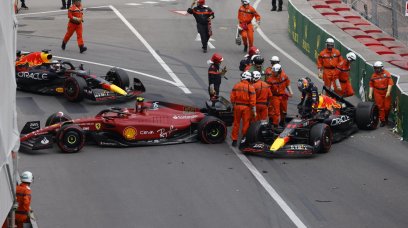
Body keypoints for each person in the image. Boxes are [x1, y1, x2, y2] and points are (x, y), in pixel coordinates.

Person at [230, 71, 256, 146]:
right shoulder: (251, 87)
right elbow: (252, 101)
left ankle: (234, 140)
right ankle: (243, 139)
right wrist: (254, 111)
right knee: (246, 123)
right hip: (246, 108)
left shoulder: (236, 85)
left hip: (237, 106)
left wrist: (233, 106)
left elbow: (232, 98)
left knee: (236, 123)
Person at [369, 61, 394, 127]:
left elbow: (390, 83)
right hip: (377, 92)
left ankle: (386, 118)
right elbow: (371, 85)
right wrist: (370, 94)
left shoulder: (387, 73)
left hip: (386, 91)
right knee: (380, 107)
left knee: (387, 107)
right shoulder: (373, 75)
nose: (376, 69)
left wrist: (388, 91)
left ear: (381, 67)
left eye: (378, 68)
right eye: (375, 68)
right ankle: (382, 120)